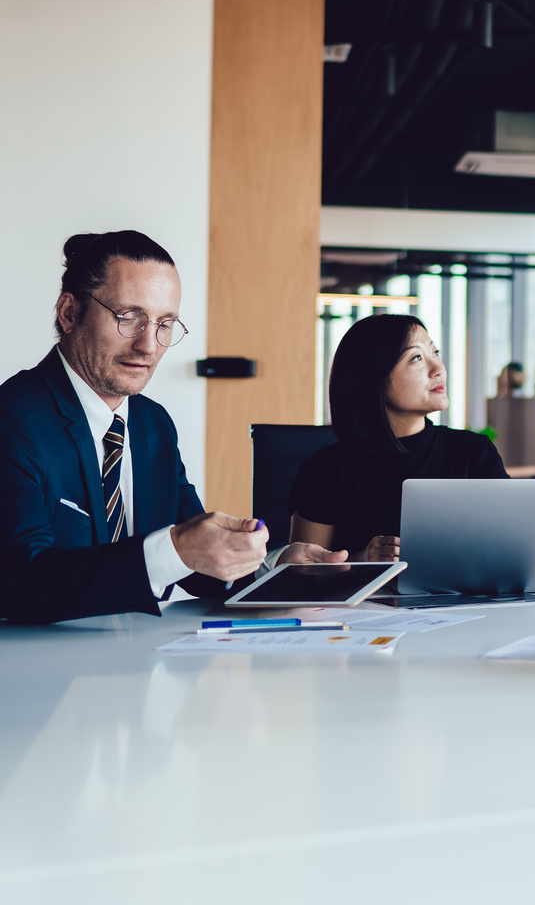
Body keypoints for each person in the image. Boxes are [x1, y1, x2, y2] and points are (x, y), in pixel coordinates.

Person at [0, 231, 341, 625]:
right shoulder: (14, 419)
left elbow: (195, 560)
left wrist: (273, 567)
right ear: (69, 313)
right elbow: (21, 582)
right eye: (129, 317)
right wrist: (175, 550)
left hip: (136, 660)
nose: (148, 345)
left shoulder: (152, 423)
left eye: (165, 323)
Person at [289, 314, 508, 560]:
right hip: (370, 599)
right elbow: (302, 575)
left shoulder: (473, 452)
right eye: (416, 358)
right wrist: (362, 561)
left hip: (466, 597)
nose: (438, 369)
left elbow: (512, 543)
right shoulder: (327, 470)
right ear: (373, 378)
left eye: (435, 353)